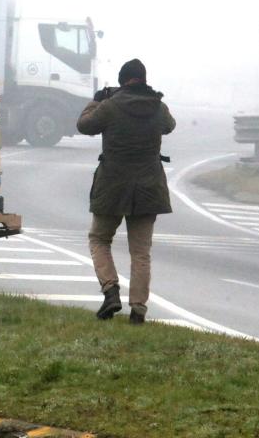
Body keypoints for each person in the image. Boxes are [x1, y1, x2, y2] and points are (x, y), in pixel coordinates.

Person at [77, 58, 175, 325]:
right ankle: (138, 310)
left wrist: (97, 100)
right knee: (141, 251)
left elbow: (84, 125)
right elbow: (170, 125)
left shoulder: (109, 106)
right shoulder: (158, 107)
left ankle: (111, 291)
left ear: (121, 81)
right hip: (149, 188)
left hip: (112, 185)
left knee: (99, 238)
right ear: (144, 79)